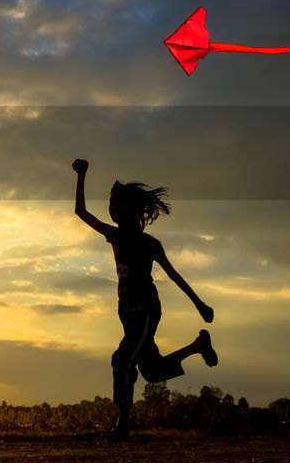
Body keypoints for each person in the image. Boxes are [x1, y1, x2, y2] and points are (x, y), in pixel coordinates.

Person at [73, 158, 217, 442]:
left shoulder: (150, 243)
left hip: (146, 311)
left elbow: (174, 276)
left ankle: (122, 426)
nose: (111, 208)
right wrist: (82, 175)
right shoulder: (113, 235)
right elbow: (80, 211)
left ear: (132, 209)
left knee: (122, 359)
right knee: (151, 371)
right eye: (110, 202)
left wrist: (199, 304)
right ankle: (198, 345)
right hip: (126, 313)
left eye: (116, 203)